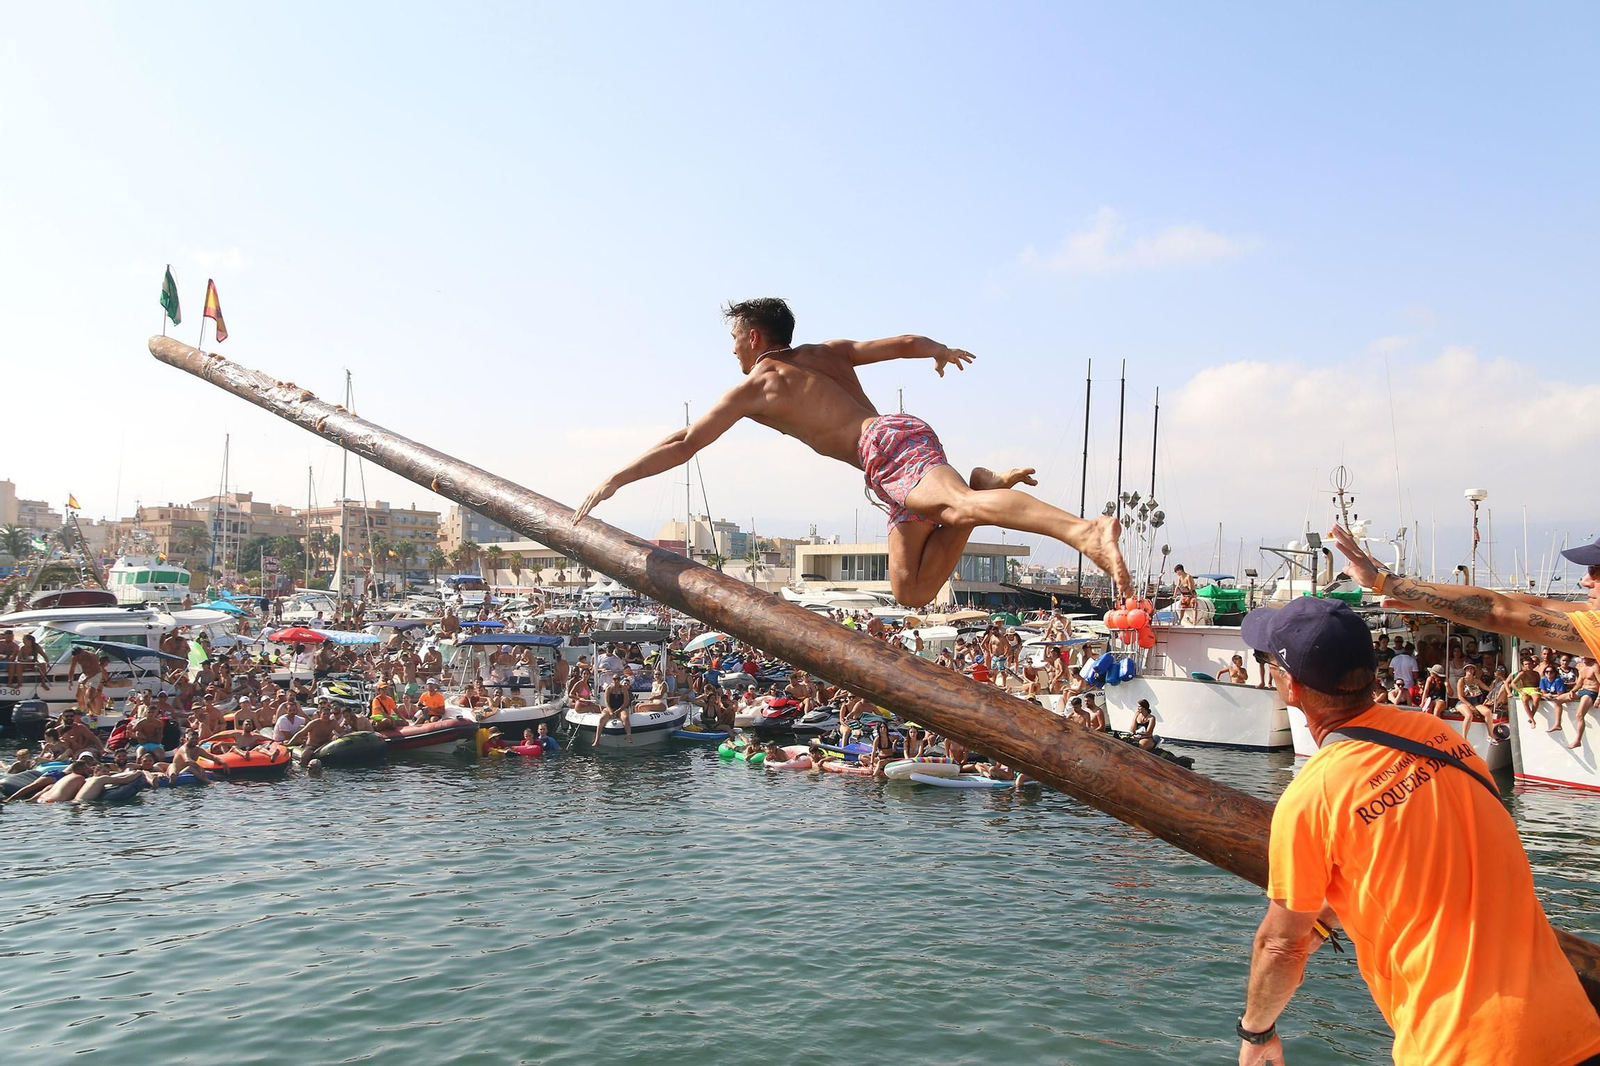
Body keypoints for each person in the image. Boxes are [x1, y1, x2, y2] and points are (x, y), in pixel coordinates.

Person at [1234, 592, 1600, 1066]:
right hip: (1573, 1028)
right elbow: (1412, 860)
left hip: (1460, 1049)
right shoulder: (1441, 737)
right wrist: (1327, 914)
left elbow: (1280, 944)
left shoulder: (1313, 796)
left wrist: (1256, 1033)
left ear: (1291, 687)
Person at [574, 297, 1130, 606]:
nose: (733, 349)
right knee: (911, 590)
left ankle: (1084, 531)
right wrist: (938, 350)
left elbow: (686, 443)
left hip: (886, 446)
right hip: (887, 459)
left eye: (735, 338)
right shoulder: (827, 352)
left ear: (755, 339)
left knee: (957, 506)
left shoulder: (760, 384)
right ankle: (982, 486)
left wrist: (617, 480)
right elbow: (902, 344)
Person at [595, 672, 632, 743]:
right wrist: (610, 711)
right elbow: (607, 702)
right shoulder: (609, 689)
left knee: (625, 717)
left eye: (618, 679)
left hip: (621, 708)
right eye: (615, 679)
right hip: (611, 707)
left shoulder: (624, 689)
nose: (616, 681)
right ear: (612, 680)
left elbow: (626, 702)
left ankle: (629, 737)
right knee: (602, 718)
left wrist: (618, 710)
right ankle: (597, 739)